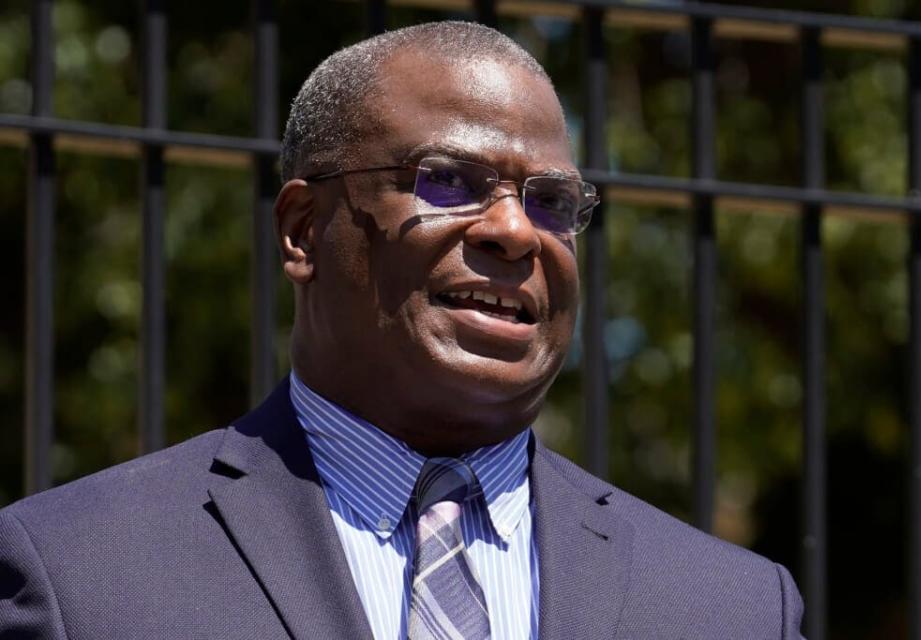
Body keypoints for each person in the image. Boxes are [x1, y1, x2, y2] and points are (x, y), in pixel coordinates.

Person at [0, 21, 804, 640]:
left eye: (551, 203)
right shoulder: (80, 575)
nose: (516, 234)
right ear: (304, 229)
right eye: (449, 180)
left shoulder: (727, 608)